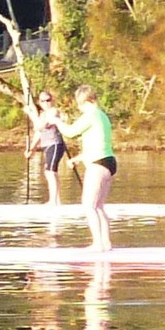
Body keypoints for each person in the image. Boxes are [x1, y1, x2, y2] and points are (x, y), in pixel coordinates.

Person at [48, 85, 117, 252]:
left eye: (79, 104)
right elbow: (98, 144)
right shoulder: (102, 116)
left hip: (98, 164)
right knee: (99, 205)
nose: (78, 108)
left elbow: (70, 132)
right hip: (109, 161)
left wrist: (57, 121)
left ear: (85, 101)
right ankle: (106, 243)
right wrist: (78, 159)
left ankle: (98, 244)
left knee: (89, 205)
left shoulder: (91, 114)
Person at [24, 90, 66, 206]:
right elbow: (38, 133)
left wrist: (31, 114)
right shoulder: (42, 115)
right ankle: (56, 200)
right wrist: (31, 149)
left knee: (50, 172)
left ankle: (53, 201)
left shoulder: (54, 112)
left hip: (55, 144)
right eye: (43, 101)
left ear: (52, 100)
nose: (46, 103)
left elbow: (41, 126)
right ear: (40, 102)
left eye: (48, 100)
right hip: (46, 145)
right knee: (49, 172)